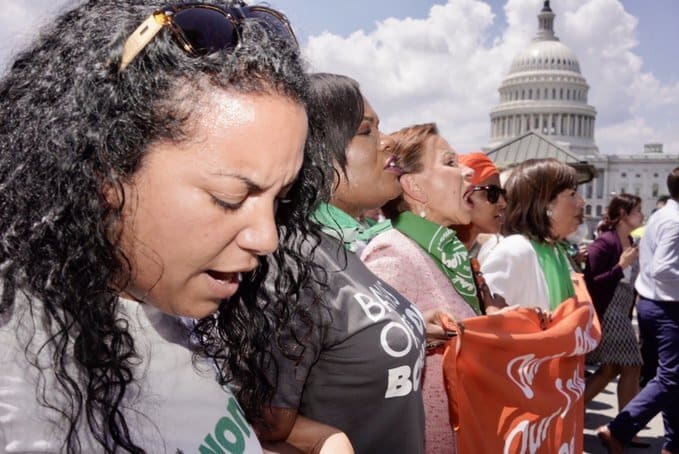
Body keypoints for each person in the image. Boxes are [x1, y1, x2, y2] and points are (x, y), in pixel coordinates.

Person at [0, 1, 325, 452]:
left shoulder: (163, 308)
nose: (267, 238)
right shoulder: (18, 391)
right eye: (229, 198)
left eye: (280, 199)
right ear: (108, 170)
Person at [260, 73, 428, 454]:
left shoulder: (337, 249)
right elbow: (267, 421)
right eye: (367, 130)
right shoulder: (293, 264)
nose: (388, 143)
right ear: (316, 152)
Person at [360, 123, 482, 453]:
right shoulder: (393, 253)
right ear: (415, 187)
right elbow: (371, 368)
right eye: (450, 163)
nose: (468, 172)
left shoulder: (445, 254)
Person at [598, 167, 679, 454]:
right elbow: (662, 269)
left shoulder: (661, 217)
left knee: (667, 378)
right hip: (668, 306)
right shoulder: (674, 222)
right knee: (670, 378)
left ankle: (673, 443)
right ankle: (619, 429)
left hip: (652, 303)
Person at [482, 158, 585, 313]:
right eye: (572, 194)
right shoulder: (514, 250)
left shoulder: (556, 251)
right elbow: (490, 320)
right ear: (546, 203)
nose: (581, 202)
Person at [583, 195, 645, 429]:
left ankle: (575, 409)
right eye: (637, 210)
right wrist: (621, 266)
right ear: (622, 214)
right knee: (632, 365)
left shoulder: (629, 240)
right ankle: (626, 428)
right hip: (609, 310)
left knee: (612, 367)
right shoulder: (605, 242)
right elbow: (594, 282)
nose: (642, 214)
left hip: (621, 309)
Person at [454, 151, 507, 263]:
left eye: (503, 193)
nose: (503, 203)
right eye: (492, 193)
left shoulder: (488, 254)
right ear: (464, 194)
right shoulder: (433, 256)